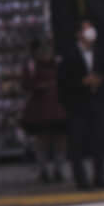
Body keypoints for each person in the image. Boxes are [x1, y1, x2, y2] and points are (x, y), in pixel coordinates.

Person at [60, 19, 104, 190]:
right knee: (77, 143)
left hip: (98, 103)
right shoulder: (69, 55)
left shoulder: (101, 52)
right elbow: (63, 82)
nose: (90, 32)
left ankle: (100, 176)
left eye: (91, 28)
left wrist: (100, 83)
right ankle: (81, 179)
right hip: (78, 105)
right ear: (78, 34)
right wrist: (82, 82)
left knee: (100, 140)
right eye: (86, 29)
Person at [20, 41, 69, 185]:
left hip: (58, 106)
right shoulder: (32, 65)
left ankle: (58, 168)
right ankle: (43, 170)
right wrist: (40, 86)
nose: (46, 53)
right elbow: (25, 84)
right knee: (42, 138)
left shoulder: (58, 63)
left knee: (60, 138)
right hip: (40, 107)